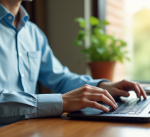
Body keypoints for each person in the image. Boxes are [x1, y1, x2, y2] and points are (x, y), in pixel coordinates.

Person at [0, 0, 147, 125]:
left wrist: (102, 86)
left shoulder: (33, 33)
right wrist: (61, 101)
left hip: (27, 130)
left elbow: (60, 78)